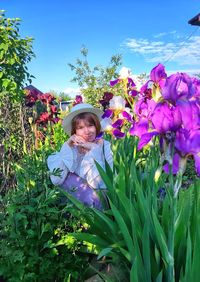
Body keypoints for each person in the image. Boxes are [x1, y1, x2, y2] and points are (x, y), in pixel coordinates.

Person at [47, 103, 113, 209]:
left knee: (93, 197)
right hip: (77, 204)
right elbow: (56, 180)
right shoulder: (71, 149)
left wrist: (93, 150)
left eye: (90, 125)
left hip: (104, 202)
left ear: (96, 126)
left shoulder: (105, 147)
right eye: (80, 127)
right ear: (74, 131)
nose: (87, 131)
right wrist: (67, 146)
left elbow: (100, 184)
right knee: (68, 178)